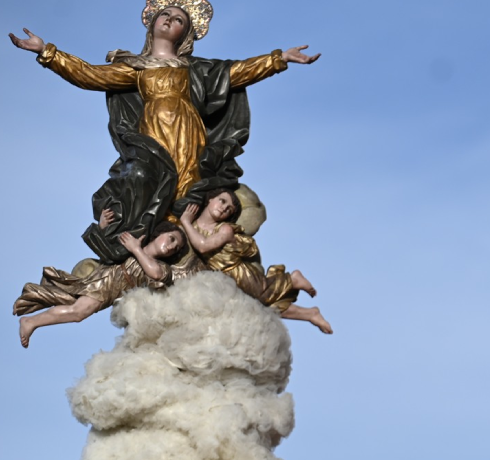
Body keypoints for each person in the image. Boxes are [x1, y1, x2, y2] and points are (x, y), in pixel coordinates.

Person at [7, 0, 319, 264]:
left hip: (188, 130)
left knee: (187, 181)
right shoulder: (135, 67)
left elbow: (236, 73)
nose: (170, 20)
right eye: (165, 15)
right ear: (153, 23)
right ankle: (145, 237)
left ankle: (183, 237)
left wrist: (278, 59)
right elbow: (90, 75)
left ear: (187, 32)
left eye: (179, 19)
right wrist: (47, 52)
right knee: (149, 178)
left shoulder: (195, 69)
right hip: (152, 132)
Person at [14, 220, 201, 348]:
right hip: (108, 280)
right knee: (79, 312)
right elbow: (109, 242)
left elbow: (156, 274)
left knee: (75, 308)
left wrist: (136, 249)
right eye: (171, 238)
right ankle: (31, 322)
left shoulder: (158, 265)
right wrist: (103, 223)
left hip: (114, 291)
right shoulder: (134, 240)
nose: (171, 246)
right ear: (158, 234)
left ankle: (32, 321)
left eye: (175, 248)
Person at [178, 188, 333, 333]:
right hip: (223, 280)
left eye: (229, 209)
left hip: (237, 273)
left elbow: (203, 247)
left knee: (263, 296)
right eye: (222, 201)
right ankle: (309, 314)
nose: (224, 207)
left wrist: (185, 221)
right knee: (262, 308)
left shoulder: (225, 229)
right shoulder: (194, 228)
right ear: (210, 199)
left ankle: (292, 280)